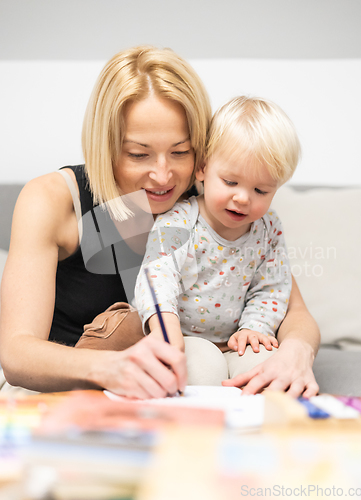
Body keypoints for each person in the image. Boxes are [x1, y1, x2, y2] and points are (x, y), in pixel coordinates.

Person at [0, 45, 320, 398]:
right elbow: (17, 354)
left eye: (181, 151)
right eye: (139, 154)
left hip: (162, 396)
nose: (164, 175)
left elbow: (293, 310)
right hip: (59, 390)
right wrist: (113, 367)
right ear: (104, 146)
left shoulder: (210, 199)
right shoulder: (53, 200)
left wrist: (297, 353)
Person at [134, 96, 302, 387]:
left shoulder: (268, 228)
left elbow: (273, 287)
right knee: (201, 370)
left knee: (264, 371)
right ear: (202, 168)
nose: (243, 198)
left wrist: (255, 327)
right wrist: (166, 328)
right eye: (231, 182)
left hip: (236, 339)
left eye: (261, 190)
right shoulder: (180, 220)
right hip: (181, 336)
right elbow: (158, 276)